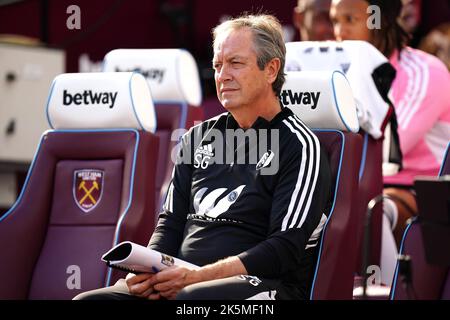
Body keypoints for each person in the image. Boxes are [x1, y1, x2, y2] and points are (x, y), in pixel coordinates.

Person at [75, 14, 332, 300]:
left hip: (266, 288)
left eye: (236, 63)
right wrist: (148, 270)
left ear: (271, 70)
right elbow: (170, 222)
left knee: (192, 301)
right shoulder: (196, 138)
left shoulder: (300, 146)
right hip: (185, 279)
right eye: (218, 65)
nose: (223, 75)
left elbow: (283, 249)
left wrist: (197, 278)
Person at [330, 0, 450, 280]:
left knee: (371, 210)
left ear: (379, 20)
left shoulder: (425, 72)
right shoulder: (334, 72)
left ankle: (385, 289)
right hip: (356, 185)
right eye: (336, 20)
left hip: (423, 192)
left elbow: (386, 155)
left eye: (350, 19)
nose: (339, 31)